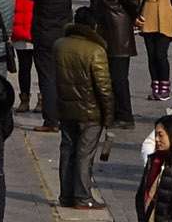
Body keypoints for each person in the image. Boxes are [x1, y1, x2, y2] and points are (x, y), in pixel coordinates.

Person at [52, 11, 112, 210]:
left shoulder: (59, 45)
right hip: (90, 111)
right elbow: (104, 87)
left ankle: (66, 194)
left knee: (67, 150)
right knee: (84, 154)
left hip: (66, 108)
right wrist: (109, 115)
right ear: (93, 26)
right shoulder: (96, 50)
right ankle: (83, 196)